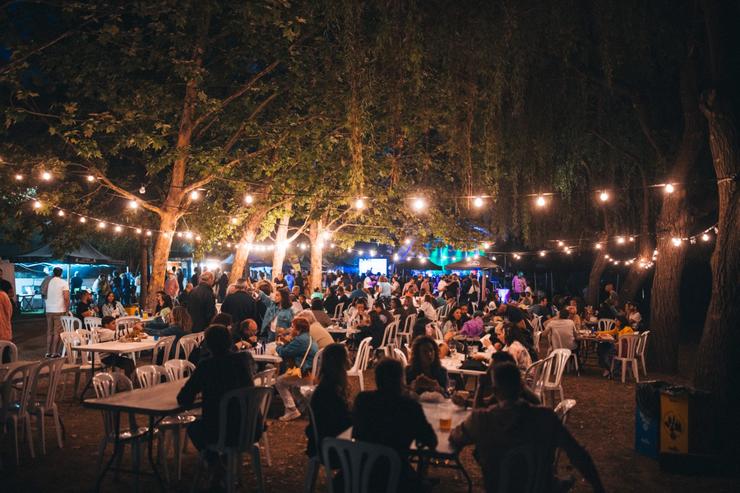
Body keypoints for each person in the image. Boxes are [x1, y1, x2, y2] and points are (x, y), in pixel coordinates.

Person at [451, 363, 605, 493]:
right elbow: (578, 453)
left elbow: (454, 439)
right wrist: (599, 488)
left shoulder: (481, 420)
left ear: (495, 391)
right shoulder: (545, 417)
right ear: (521, 388)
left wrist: (479, 388)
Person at [177, 325, 256, 479]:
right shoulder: (244, 360)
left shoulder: (207, 366)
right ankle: (223, 462)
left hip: (221, 430)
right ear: (229, 341)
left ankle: (215, 463)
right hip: (250, 426)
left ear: (208, 344)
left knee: (193, 427)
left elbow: (184, 399)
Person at [353, 358, 437, 493]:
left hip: (360, 471)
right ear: (401, 380)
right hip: (396, 475)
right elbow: (431, 440)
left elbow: (355, 432)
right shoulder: (410, 407)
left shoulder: (363, 400)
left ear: (377, 379)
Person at [305, 343, 352, 459]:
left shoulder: (329, 385)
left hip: (326, 440)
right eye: (347, 357)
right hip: (330, 447)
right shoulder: (329, 391)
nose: (350, 360)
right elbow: (341, 421)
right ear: (339, 362)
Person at [275, 318, 318, 421]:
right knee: (294, 387)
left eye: (293, 327)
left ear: (298, 329)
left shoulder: (300, 340)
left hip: (302, 372)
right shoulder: (308, 338)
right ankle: (305, 407)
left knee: (279, 381)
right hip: (310, 370)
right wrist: (286, 342)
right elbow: (291, 348)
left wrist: (278, 346)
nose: (291, 329)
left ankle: (292, 410)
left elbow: (284, 352)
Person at [45, 267, 69, 357]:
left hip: (48, 310)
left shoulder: (48, 282)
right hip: (59, 309)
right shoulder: (63, 283)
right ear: (61, 273)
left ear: (53, 273)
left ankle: (48, 352)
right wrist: (67, 309)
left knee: (49, 331)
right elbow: (66, 298)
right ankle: (55, 352)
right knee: (57, 332)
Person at [0, 282, 13, 362]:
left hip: (3, 333)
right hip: (5, 333)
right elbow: (9, 313)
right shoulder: (4, 295)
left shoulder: (2, 296)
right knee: (5, 361)